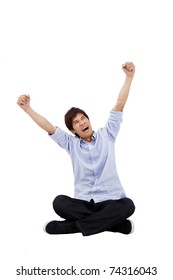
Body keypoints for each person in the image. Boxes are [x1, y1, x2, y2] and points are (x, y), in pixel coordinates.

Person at [17, 62, 135, 236]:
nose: (82, 122)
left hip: (111, 200)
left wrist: (129, 77)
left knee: (128, 205)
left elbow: (119, 104)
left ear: (88, 119)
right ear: (73, 130)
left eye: (83, 118)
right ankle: (115, 225)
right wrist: (27, 109)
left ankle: (70, 227)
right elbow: (48, 126)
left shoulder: (107, 134)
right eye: (76, 122)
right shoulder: (71, 144)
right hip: (84, 203)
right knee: (59, 202)